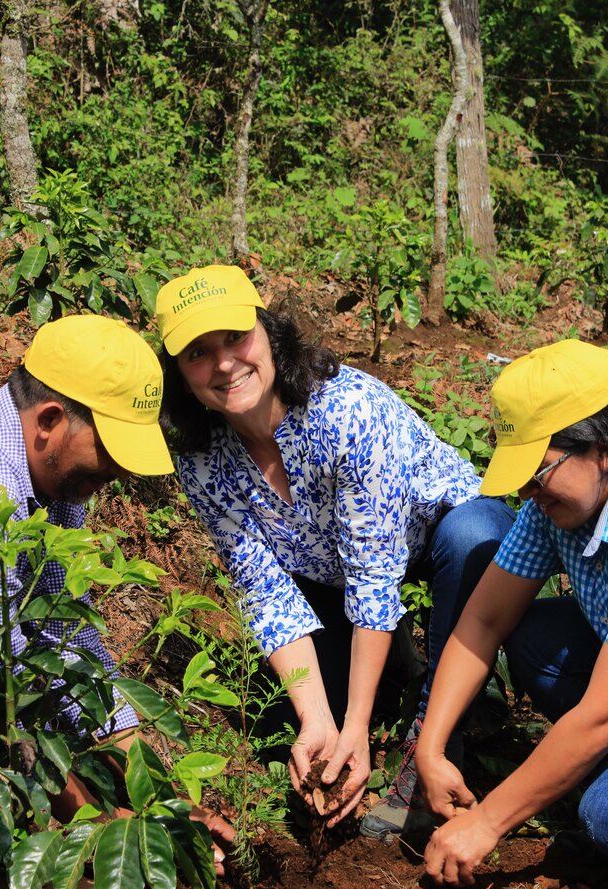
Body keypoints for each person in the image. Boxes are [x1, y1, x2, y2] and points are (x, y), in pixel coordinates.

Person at [156, 264, 515, 829]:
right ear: (179, 375)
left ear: (269, 335)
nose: (224, 363)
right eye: (199, 353)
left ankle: (433, 743)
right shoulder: (202, 462)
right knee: (307, 709)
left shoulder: (343, 409)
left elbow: (375, 571)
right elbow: (264, 588)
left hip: (432, 533)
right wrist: (319, 719)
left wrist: (357, 723)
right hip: (328, 571)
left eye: (235, 337)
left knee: (475, 536)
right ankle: (403, 669)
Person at [0, 314, 233, 889]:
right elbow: (5, 689)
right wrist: (95, 826)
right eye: (110, 448)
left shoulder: (51, 483)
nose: (120, 471)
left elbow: (66, 645)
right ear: (49, 421)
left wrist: (160, 802)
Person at [414, 338, 608, 887]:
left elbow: (603, 713)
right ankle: (576, 766)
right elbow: (483, 622)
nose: (528, 492)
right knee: (532, 637)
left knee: (603, 816)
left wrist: (487, 821)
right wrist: (430, 747)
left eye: (539, 472)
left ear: (605, 448)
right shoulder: (554, 506)